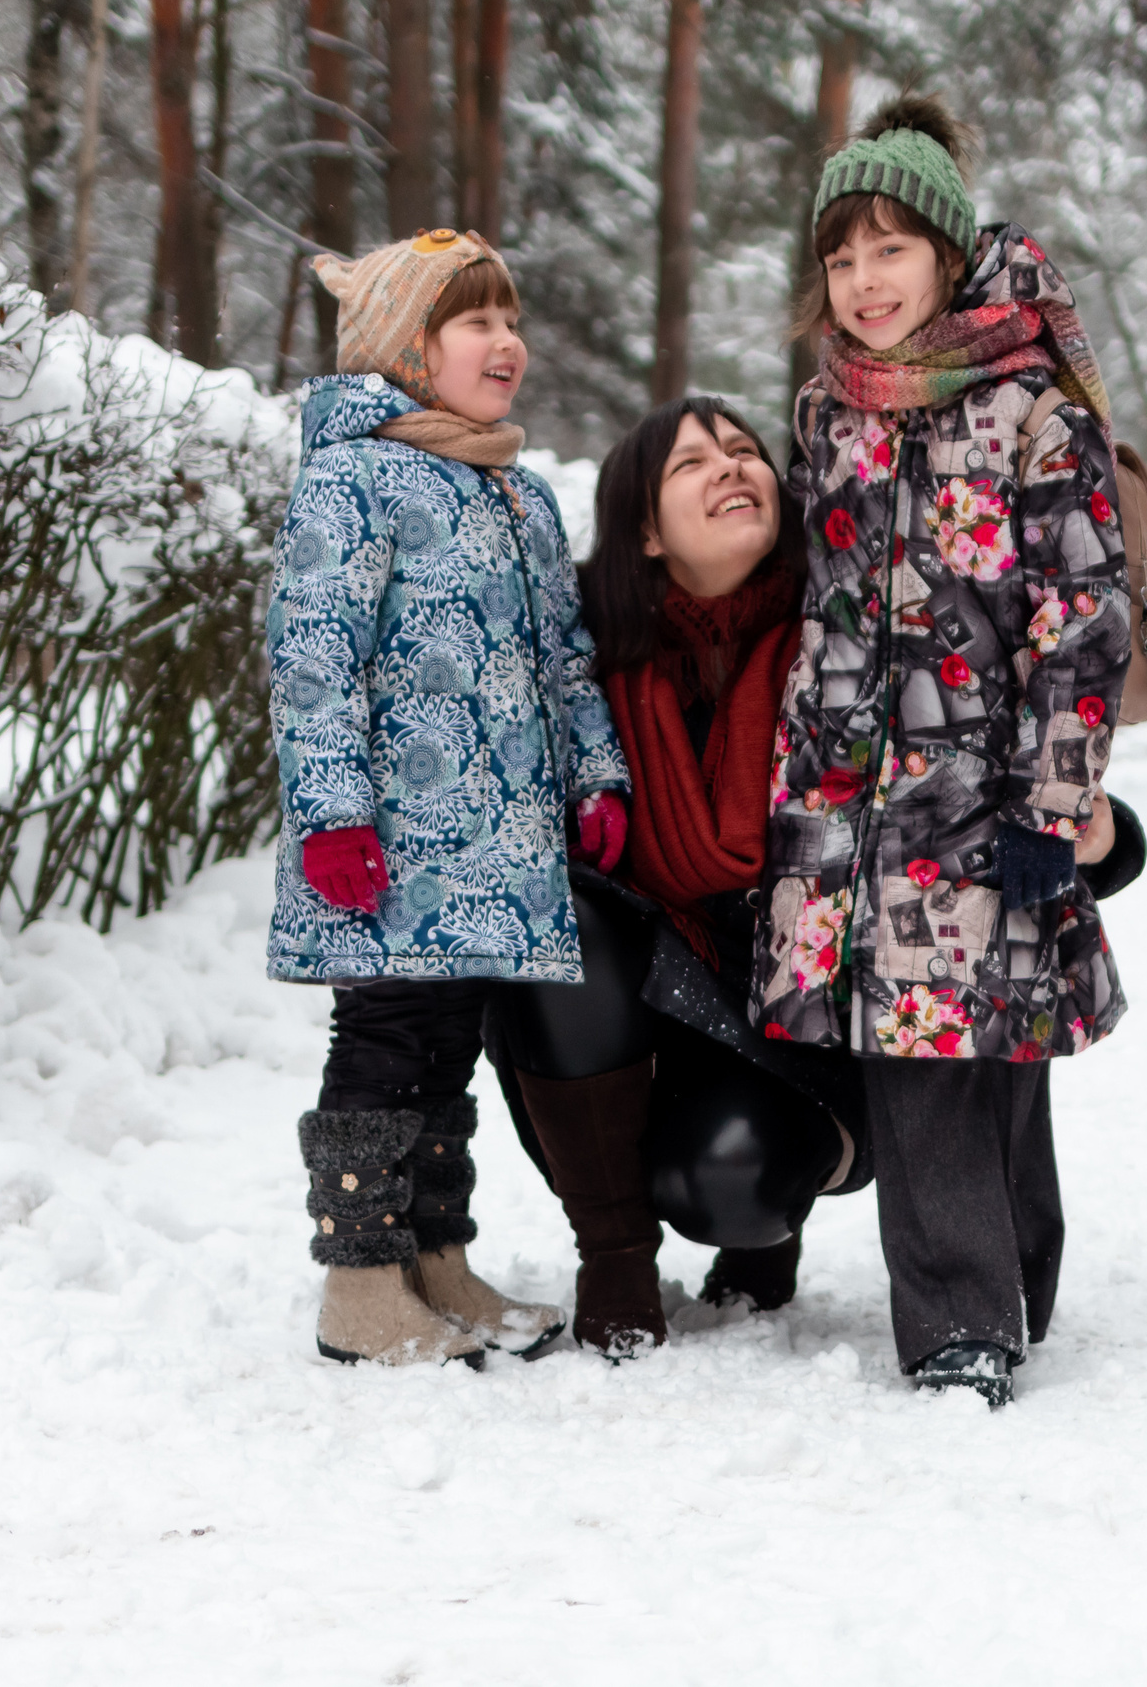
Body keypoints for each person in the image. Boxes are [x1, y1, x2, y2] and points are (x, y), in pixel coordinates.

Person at [757, 94, 1131, 1407]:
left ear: (947, 253)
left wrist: (1056, 794)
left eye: (889, 249)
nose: (863, 281)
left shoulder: (1031, 412)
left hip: (979, 783)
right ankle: (974, 1301)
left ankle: (990, 1298)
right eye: (840, 256)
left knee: (988, 1044)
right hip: (849, 790)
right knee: (918, 1050)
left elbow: (1081, 610)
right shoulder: (827, 412)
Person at [267, 228, 631, 1368]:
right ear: (405, 350)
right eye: (475, 321)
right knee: (382, 1040)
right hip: (385, 840)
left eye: (510, 321)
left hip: (492, 847)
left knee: (446, 1050)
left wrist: (597, 774)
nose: (506, 342)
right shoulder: (353, 477)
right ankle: (360, 1281)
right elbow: (314, 649)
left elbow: (563, 656)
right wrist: (331, 811)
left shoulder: (518, 495)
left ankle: (435, 1258)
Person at [487, 398, 868, 1360]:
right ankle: (614, 1258)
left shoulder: (848, 641)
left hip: (806, 1017)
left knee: (733, 1180)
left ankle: (765, 1222)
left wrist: (1094, 836)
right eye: (693, 463)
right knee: (564, 911)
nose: (732, 468)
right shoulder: (583, 669)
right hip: (637, 1012)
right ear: (647, 531)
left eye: (744, 452)